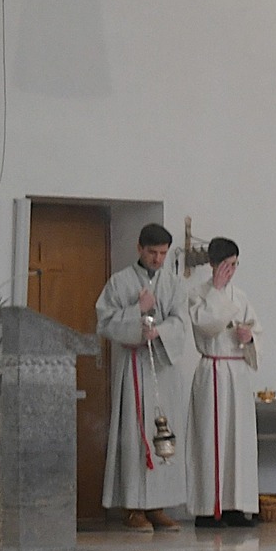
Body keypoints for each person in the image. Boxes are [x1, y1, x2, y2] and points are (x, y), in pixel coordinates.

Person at [97, 223, 192, 532]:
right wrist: (137, 310)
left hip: (162, 369)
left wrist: (159, 331)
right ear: (139, 248)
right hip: (135, 366)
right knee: (134, 435)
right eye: (152, 252)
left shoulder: (174, 284)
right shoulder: (119, 282)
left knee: (163, 433)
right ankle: (134, 507)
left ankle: (157, 506)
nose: (158, 259)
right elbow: (105, 322)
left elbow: (181, 323)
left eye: (163, 253)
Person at [188, 237, 261, 528]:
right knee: (210, 439)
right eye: (226, 266)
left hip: (237, 373)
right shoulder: (198, 294)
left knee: (239, 442)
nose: (231, 271)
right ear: (213, 265)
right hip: (213, 371)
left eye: (235, 265)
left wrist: (249, 338)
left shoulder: (241, 297)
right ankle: (209, 509)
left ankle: (235, 506)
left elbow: (257, 332)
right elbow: (207, 325)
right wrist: (217, 291)